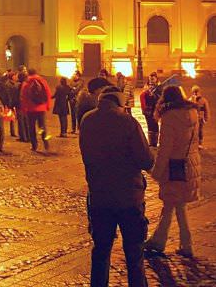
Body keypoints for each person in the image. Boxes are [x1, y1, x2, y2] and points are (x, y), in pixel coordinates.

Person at [80, 86, 154, 287]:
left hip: (99, 196)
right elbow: (146, 160)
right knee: (134, 254)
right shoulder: (128, 122)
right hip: (128, 197)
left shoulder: (87, 120)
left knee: (101, 251)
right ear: (120, 103)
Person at [144, 85, 201, 258]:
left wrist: (157, 171)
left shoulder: (169, 117)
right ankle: (177, 243)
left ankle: (161, 242)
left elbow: (165, 149)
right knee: (176, 204)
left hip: (175, 166)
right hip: (190, 163)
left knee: (172, 203)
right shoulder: (192, 112)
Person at [20, 68, 52, 152]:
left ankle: (34, 145)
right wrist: (48, 105)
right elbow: (48, 93)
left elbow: (23, 97)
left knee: (31, 128)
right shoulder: (42, 81)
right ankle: (45, 142)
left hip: (31, 109)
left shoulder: (26, 83)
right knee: (42, 126)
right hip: (41, 108)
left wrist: (24, 109)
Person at [139, 73, 161, 147]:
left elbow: (160, 98)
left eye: (153, 78)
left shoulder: (159, 87)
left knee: (155, 125)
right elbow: (142, 97)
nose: (151, 80)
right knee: (149, 125)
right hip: (147, 109)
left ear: (156, 79)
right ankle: (151, 142)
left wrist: (154, 95)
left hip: (155, 109)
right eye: (150, 78)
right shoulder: (146, 87)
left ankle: (155, 142)